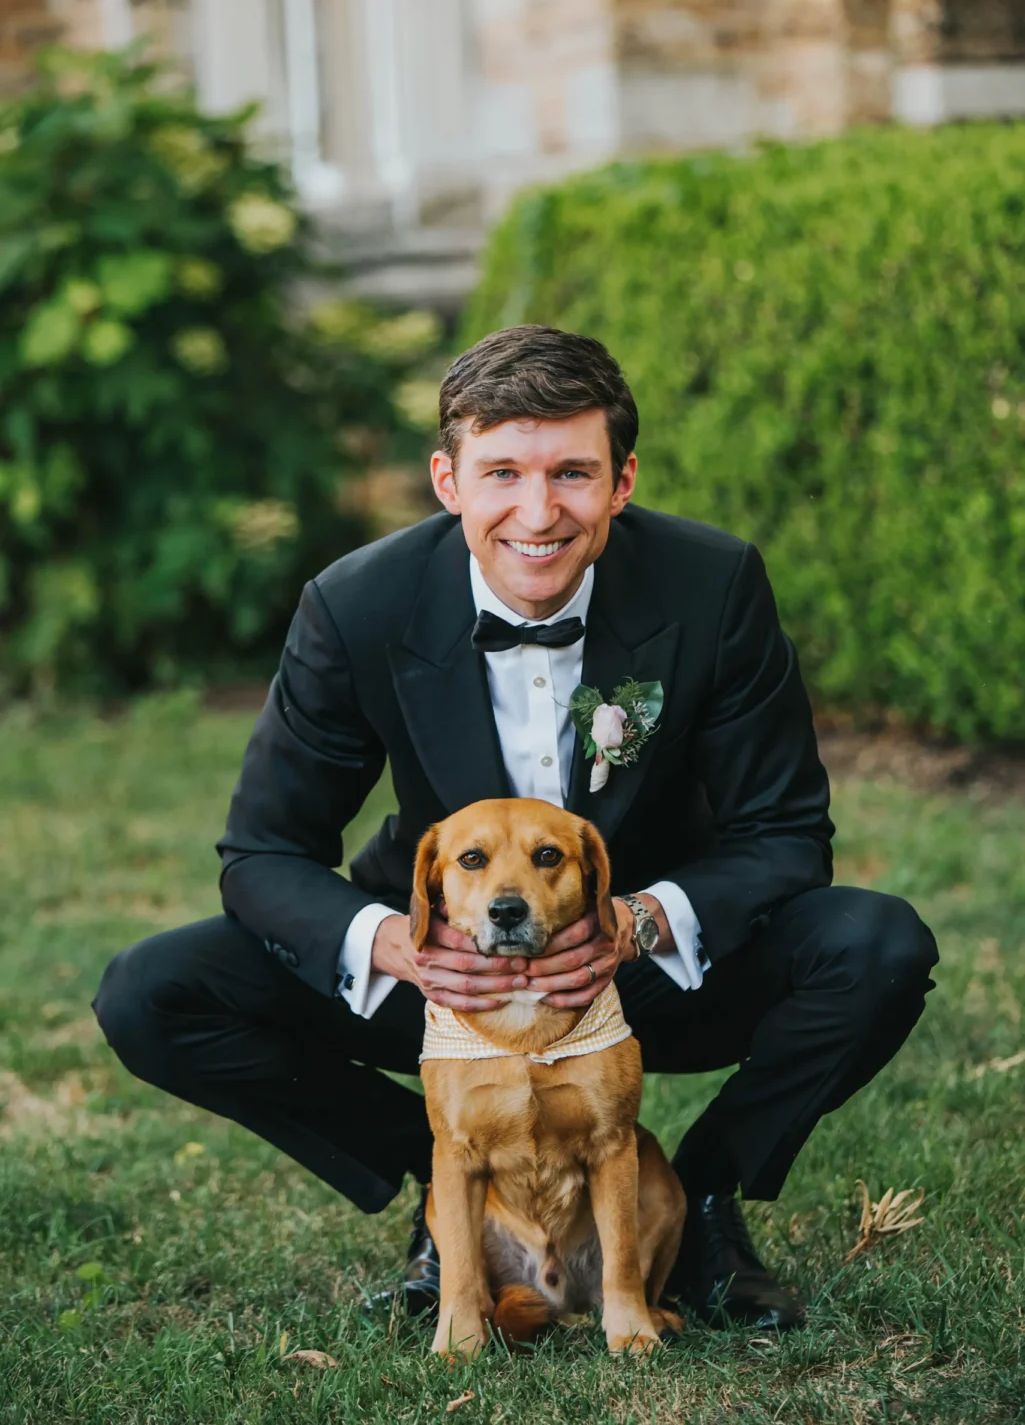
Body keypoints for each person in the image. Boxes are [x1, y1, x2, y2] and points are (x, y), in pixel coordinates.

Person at [93, 325, 938, 1331]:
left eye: (571, 474)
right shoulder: (355, 605)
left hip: (636, 970)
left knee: (876, 946)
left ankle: (703, 1201)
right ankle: (451, 1183)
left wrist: (635, 923)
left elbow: (784, 830)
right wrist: (401, 947)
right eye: (502, 473)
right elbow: (264, 852)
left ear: (621, 481)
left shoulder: (710, 586)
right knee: (154, 994)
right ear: (447, 480)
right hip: (447, 981)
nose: (537, 514)